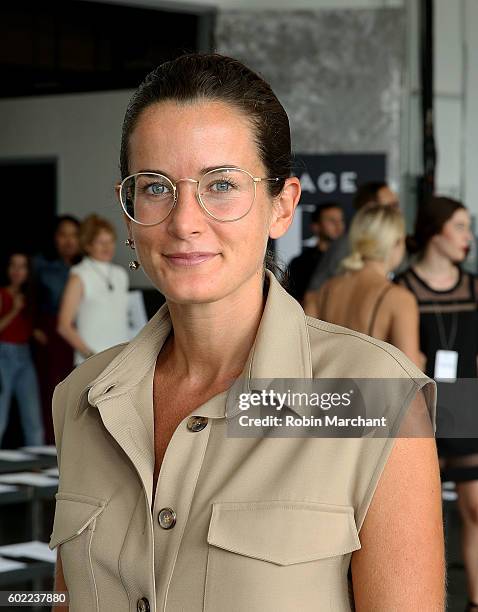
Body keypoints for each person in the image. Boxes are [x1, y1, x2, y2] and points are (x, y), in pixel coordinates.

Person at [49, 54, 444, 612]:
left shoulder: (376, 395)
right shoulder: (83, 398)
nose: (185, 221)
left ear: (282, 207)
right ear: (129, 210)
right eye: (156, 187)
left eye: (222, 185)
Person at [396, 196, 478, 610]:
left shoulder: (475, 286)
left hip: (467, 403)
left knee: (475, 506)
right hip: (417, 407)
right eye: (461, 227)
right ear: (435, 230)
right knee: (418, 515)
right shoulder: (402, 288)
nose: (469, 237)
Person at [304, 204, 424, 368]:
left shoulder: (323, 292)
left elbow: (304, 357)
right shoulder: (399, 299)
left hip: (327, 393)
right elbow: (411, 380)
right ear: (396, 244)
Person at [33, 215, 81, 444]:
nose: (69, 241)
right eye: (63, 235)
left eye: (74, 235)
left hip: (79, 333)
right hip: (51, 334)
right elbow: (28, 297)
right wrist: (35, 328)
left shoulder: (87, 267)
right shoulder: (42, 266)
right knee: (52, 391)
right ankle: (50, 446)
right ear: (55, 238)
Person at [57, 214, 130, 366]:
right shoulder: (80, 274)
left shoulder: (120, 274)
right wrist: (90, 356)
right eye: (101, 242)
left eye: (110, 241)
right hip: (91, 362)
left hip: (121, 361)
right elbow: (64, 326)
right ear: (88, 245)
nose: (107, 247)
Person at [304, 181, 399, 295]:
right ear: (370, 209)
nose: (397, 211)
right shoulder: (346, 245)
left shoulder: (395, 243)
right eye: (391, 206)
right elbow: (313, 297)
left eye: (396, 205)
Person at [0, 253, 45, 447]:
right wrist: (14, 310)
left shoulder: (29, 296)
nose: (18, 271)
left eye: (22, 267)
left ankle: (36, 466)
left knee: (33, 416)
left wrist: (33, 331)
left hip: (24, 354)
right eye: (13, 266)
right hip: (4, 354)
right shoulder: (3, 293)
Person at [287, 202, 344, 303]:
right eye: (332, 221)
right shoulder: (301, 263)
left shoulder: (353, 260)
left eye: (341, 220)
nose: (339, 226)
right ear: (316, 227)